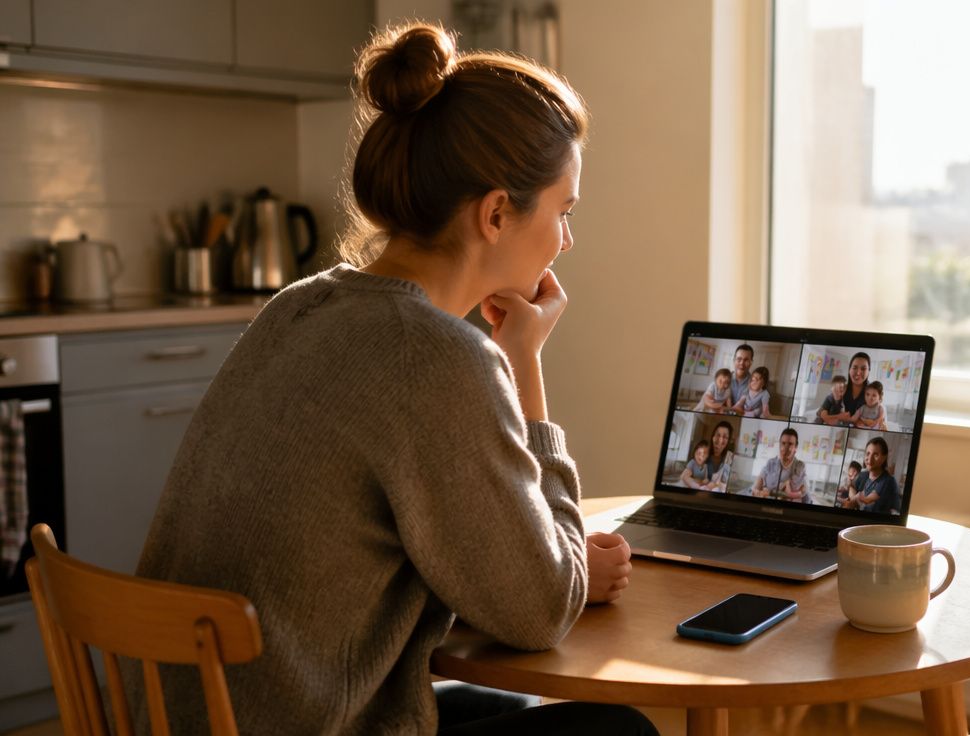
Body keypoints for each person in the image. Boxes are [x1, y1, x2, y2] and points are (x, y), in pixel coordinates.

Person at [131, 22, 655, 736]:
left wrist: (551, 570)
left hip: (182, 719)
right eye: (564, 211)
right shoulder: (436, 357)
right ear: (496, 213)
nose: (566, 239)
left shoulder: (301, 304)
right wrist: (524, 361)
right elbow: (540, 610)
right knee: (614, 729)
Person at [751, 428, 809, 503]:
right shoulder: (770, 463)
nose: (786, 448)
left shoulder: (800, 467)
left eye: (790, 444)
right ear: (779, 445)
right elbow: (757, 486)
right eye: (783, 443)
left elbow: (801, 494)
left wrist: (770, 492)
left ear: (796, 447)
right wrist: (757, 492)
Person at [851, 437, 901, 514]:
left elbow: (867, 500)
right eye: (868, 454)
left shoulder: (888, 481)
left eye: (876, 455)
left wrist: (856, 498)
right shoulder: (862, 475)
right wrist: (853, 498)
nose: (870, 459)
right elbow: (852, 486)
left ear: (884, 458)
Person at [705, 420, 736, 492]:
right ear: (713, 437)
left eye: (725, 437)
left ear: (728, 441)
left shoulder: (728, 460)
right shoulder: (703, 455)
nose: (720, 440)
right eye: (718, 435)